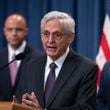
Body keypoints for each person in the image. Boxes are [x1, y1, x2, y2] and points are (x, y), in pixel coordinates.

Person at [15, 11, 98, 110]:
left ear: (71, 37)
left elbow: (84, 108)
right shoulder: (30, 67)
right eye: (46, 34)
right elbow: (20, 101)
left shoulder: (86, 69)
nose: (50, 40)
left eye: (57, 35)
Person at [0, 14, 41, 101]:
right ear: (4, 31)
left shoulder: (38, 58)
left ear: (26, 31)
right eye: (10, 29)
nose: (14, 33)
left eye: (18, 29)